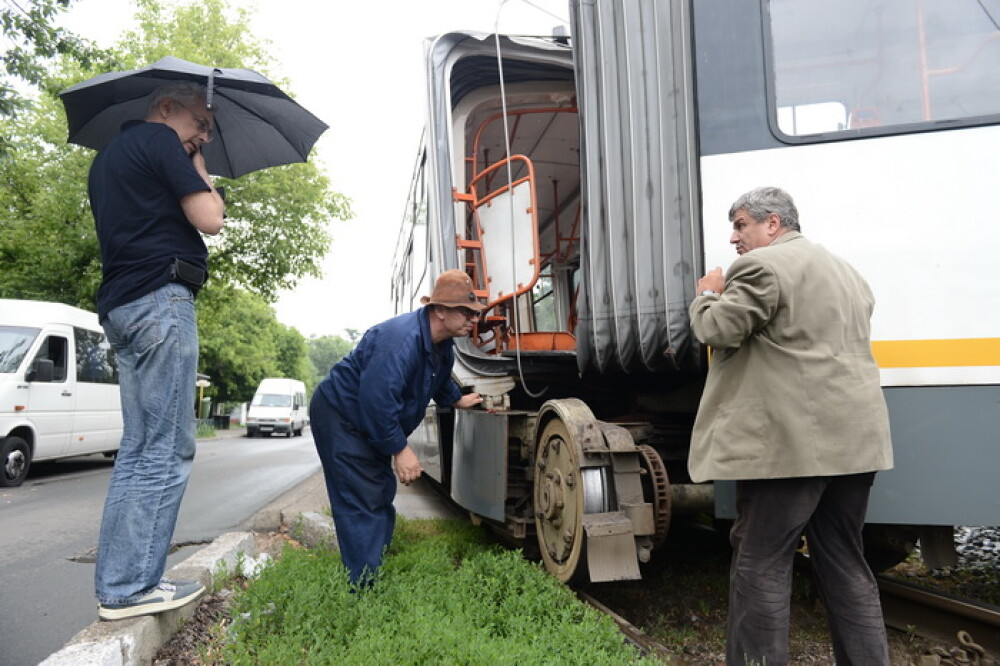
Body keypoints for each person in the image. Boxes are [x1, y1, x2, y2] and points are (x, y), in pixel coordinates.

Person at [688, 186, 894, 665]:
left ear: (773, 223)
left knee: (761, 560)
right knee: (845, 561)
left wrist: (707, 296)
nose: (734, 237)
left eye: (741, 224)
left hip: (792, 447)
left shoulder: (761, 267)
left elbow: (718, 330)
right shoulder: (849, 273)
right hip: (856, 445)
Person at [89, 81, 225, 620]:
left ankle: (119, 583)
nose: (203, 135)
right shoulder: (161, 143)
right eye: (200, 123)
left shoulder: (108, 157)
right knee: (168, 448)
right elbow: (211, 218)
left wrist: (193, 150)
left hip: (122, 305)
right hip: (159, 300)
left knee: (140, 448)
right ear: (166, 107)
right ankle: (131, 588)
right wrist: (195, 162)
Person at [310, 269, 485, 586]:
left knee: (378, 490)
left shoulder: (443, 343)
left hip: (367, 420)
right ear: (440, 311)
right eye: (466, 311)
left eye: (475, 312)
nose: (474, 318)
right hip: (342, 417)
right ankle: (363, 588)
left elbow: (439, 378)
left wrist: (457, 400)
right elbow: (376, 402)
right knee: (360, 499)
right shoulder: (401, 341)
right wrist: (400, 450)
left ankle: (371, 567)